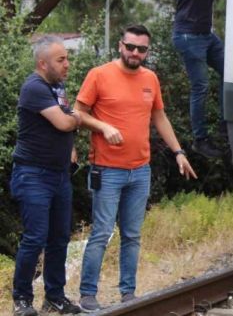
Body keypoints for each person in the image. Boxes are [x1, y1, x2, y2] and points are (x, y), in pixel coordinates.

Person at [74, 25, 197, 311]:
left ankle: (128, 293)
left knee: (132, 234)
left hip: (140, 170)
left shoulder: (150, 78)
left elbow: (160, 118)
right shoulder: (99, 75)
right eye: (130, 47)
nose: (135, 53)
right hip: (107, 169)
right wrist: (103, 126)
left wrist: (179, 152)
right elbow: (77, 113)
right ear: (120, 46)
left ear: (147, 52)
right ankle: (87, 295)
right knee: (102, 232)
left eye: (141, 49)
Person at [11, 36, 82, 315]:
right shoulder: (34, 87)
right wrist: (78, 117)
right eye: (61, 60)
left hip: (59, 174)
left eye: (67, 58)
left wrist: (72, 145)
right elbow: (65, 121)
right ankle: (22, 299)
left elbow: (64, 120)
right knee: (35, 237)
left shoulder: (57, 86)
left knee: (59, 238)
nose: (67, 64)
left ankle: (54, 296)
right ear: (43, 63)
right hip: (33, 175)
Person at [172, 0, 229, 158]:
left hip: (206, 35)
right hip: (189, 36)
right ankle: (200, 139)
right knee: (201, 86)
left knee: (229, 71)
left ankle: (225, 125)